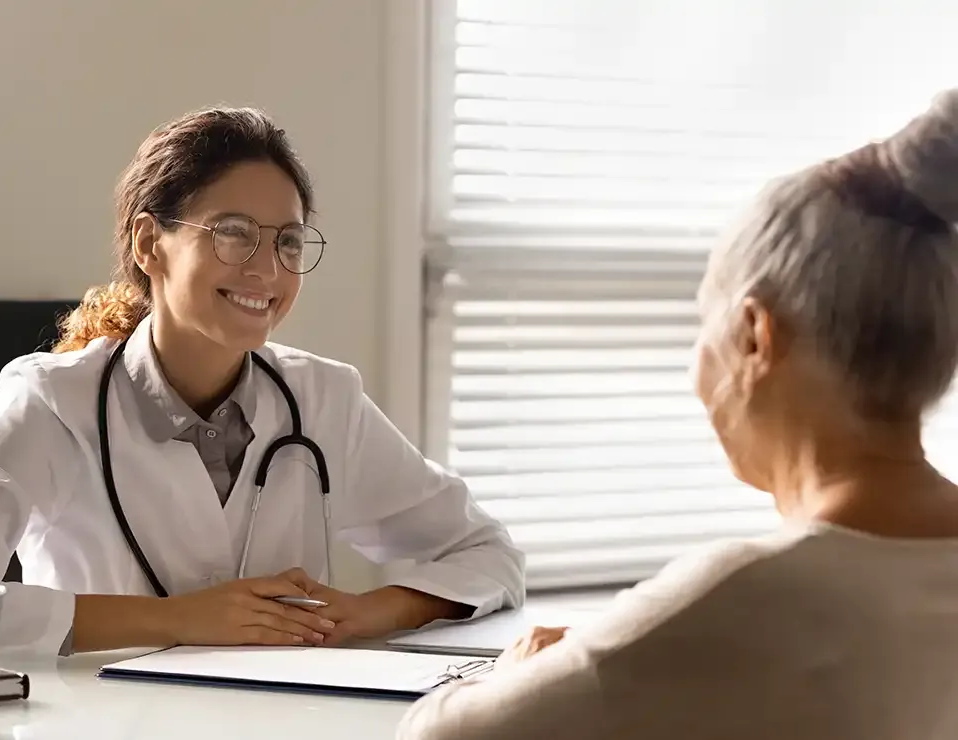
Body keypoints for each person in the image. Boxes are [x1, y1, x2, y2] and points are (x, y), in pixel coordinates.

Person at [396, 90, 958, 740]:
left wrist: (513, 675)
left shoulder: (737, 601)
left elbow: (437, 737)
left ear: (753, 335)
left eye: (704, 322)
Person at [0, 106, 525, 657]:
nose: (266, 270)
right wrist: (180, 620)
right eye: (233, 235)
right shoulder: (53, 405)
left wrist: (367, 611)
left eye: (287, 243)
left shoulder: (324, 400)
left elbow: (488, 554)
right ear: (149, 243)